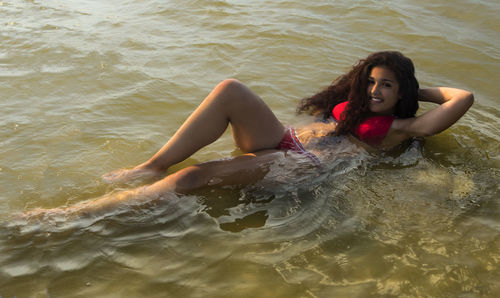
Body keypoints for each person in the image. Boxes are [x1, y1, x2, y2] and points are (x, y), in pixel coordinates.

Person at [26, 51, 474, 217]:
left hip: (304, 164)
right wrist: (376, 82)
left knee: (192, 179)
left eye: (387, 85)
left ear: (402, 93)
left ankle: (74, 215)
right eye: (372, 81)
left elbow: (463, 98)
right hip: (284, 139)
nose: (375, 91)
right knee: (230, 89)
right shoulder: (349, 106)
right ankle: (150, 166)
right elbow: (362, 89)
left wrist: (416, 87)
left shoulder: (399, 128)